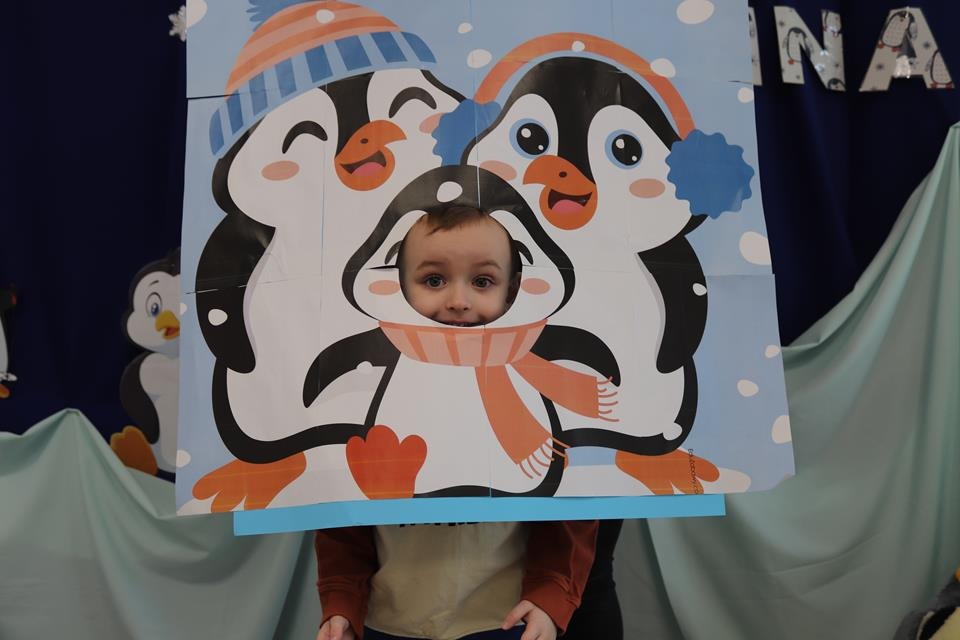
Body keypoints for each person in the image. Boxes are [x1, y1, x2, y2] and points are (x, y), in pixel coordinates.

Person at [315, 206, 599, 640]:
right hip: (389, 620)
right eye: (433, 280)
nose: (458, 301)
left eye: (483, 282)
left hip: (505, 618)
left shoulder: (529, 388)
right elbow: (340, 511)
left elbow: (566, 505)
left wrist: (550, 594)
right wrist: (341, 602)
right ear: (398, 287)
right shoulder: (369, 388)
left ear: (512, 292)